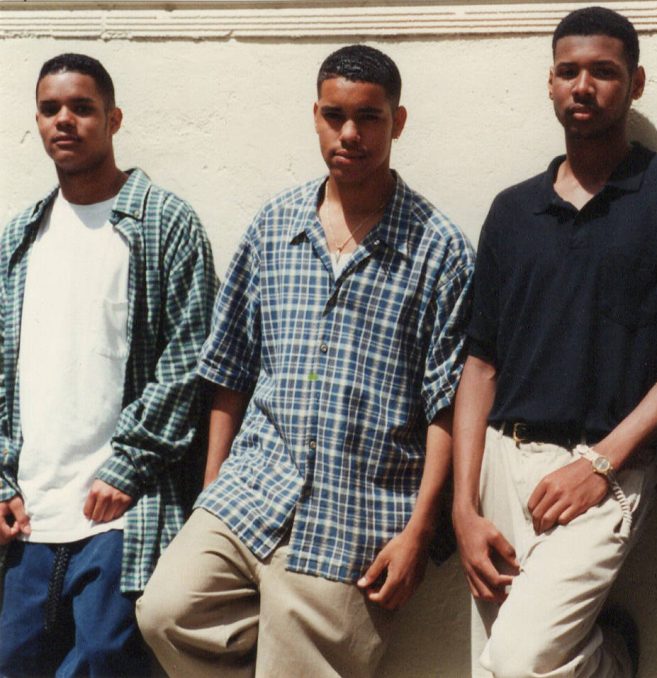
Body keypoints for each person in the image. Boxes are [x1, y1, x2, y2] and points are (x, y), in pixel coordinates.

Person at [136, 44, 474, 677]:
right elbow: (230, 370)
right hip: (250, 494)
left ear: (397, 122)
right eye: (334, 115)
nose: (350, 134)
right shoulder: (273, 226)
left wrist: (419, 534)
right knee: (164, 612)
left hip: (357, 515)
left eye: (369, 117)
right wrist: (212, 489)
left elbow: (447, 407)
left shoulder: (440, 250)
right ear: (315, 117)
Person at [452, 7, 657, 677]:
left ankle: (611, 661)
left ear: (635, 83)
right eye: (567, 71)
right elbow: (481, 362)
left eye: (603, 72)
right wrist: (463, 507)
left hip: (605, 467)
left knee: (514, 667)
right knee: (500, 663)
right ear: (550, 83)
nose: (583, 86)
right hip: (501, 465)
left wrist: (604, 461)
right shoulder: (512, 210)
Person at [0, 53, 215, 676]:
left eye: (82, 107)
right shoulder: (20, 239)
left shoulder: (163, 223)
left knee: (103, 662)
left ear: (113, 118)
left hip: (123, 512)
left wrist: (129, 466)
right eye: (50, 109)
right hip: (30, 517)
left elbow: (189, 358)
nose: (64, 120)